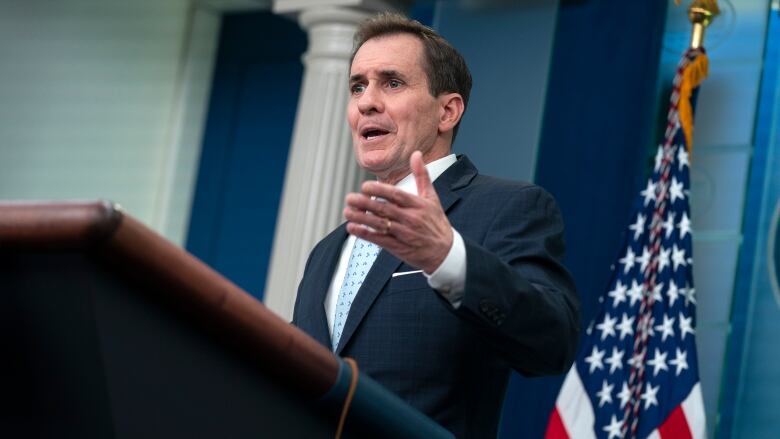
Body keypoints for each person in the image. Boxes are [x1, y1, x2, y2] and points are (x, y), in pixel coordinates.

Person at [292, 12, 579, 438]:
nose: (367, 102)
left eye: (392, 82)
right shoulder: (326, 252)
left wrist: (446, 258)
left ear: (447, 111)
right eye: (357, 86)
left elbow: (552, 343)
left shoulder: (508, 207)